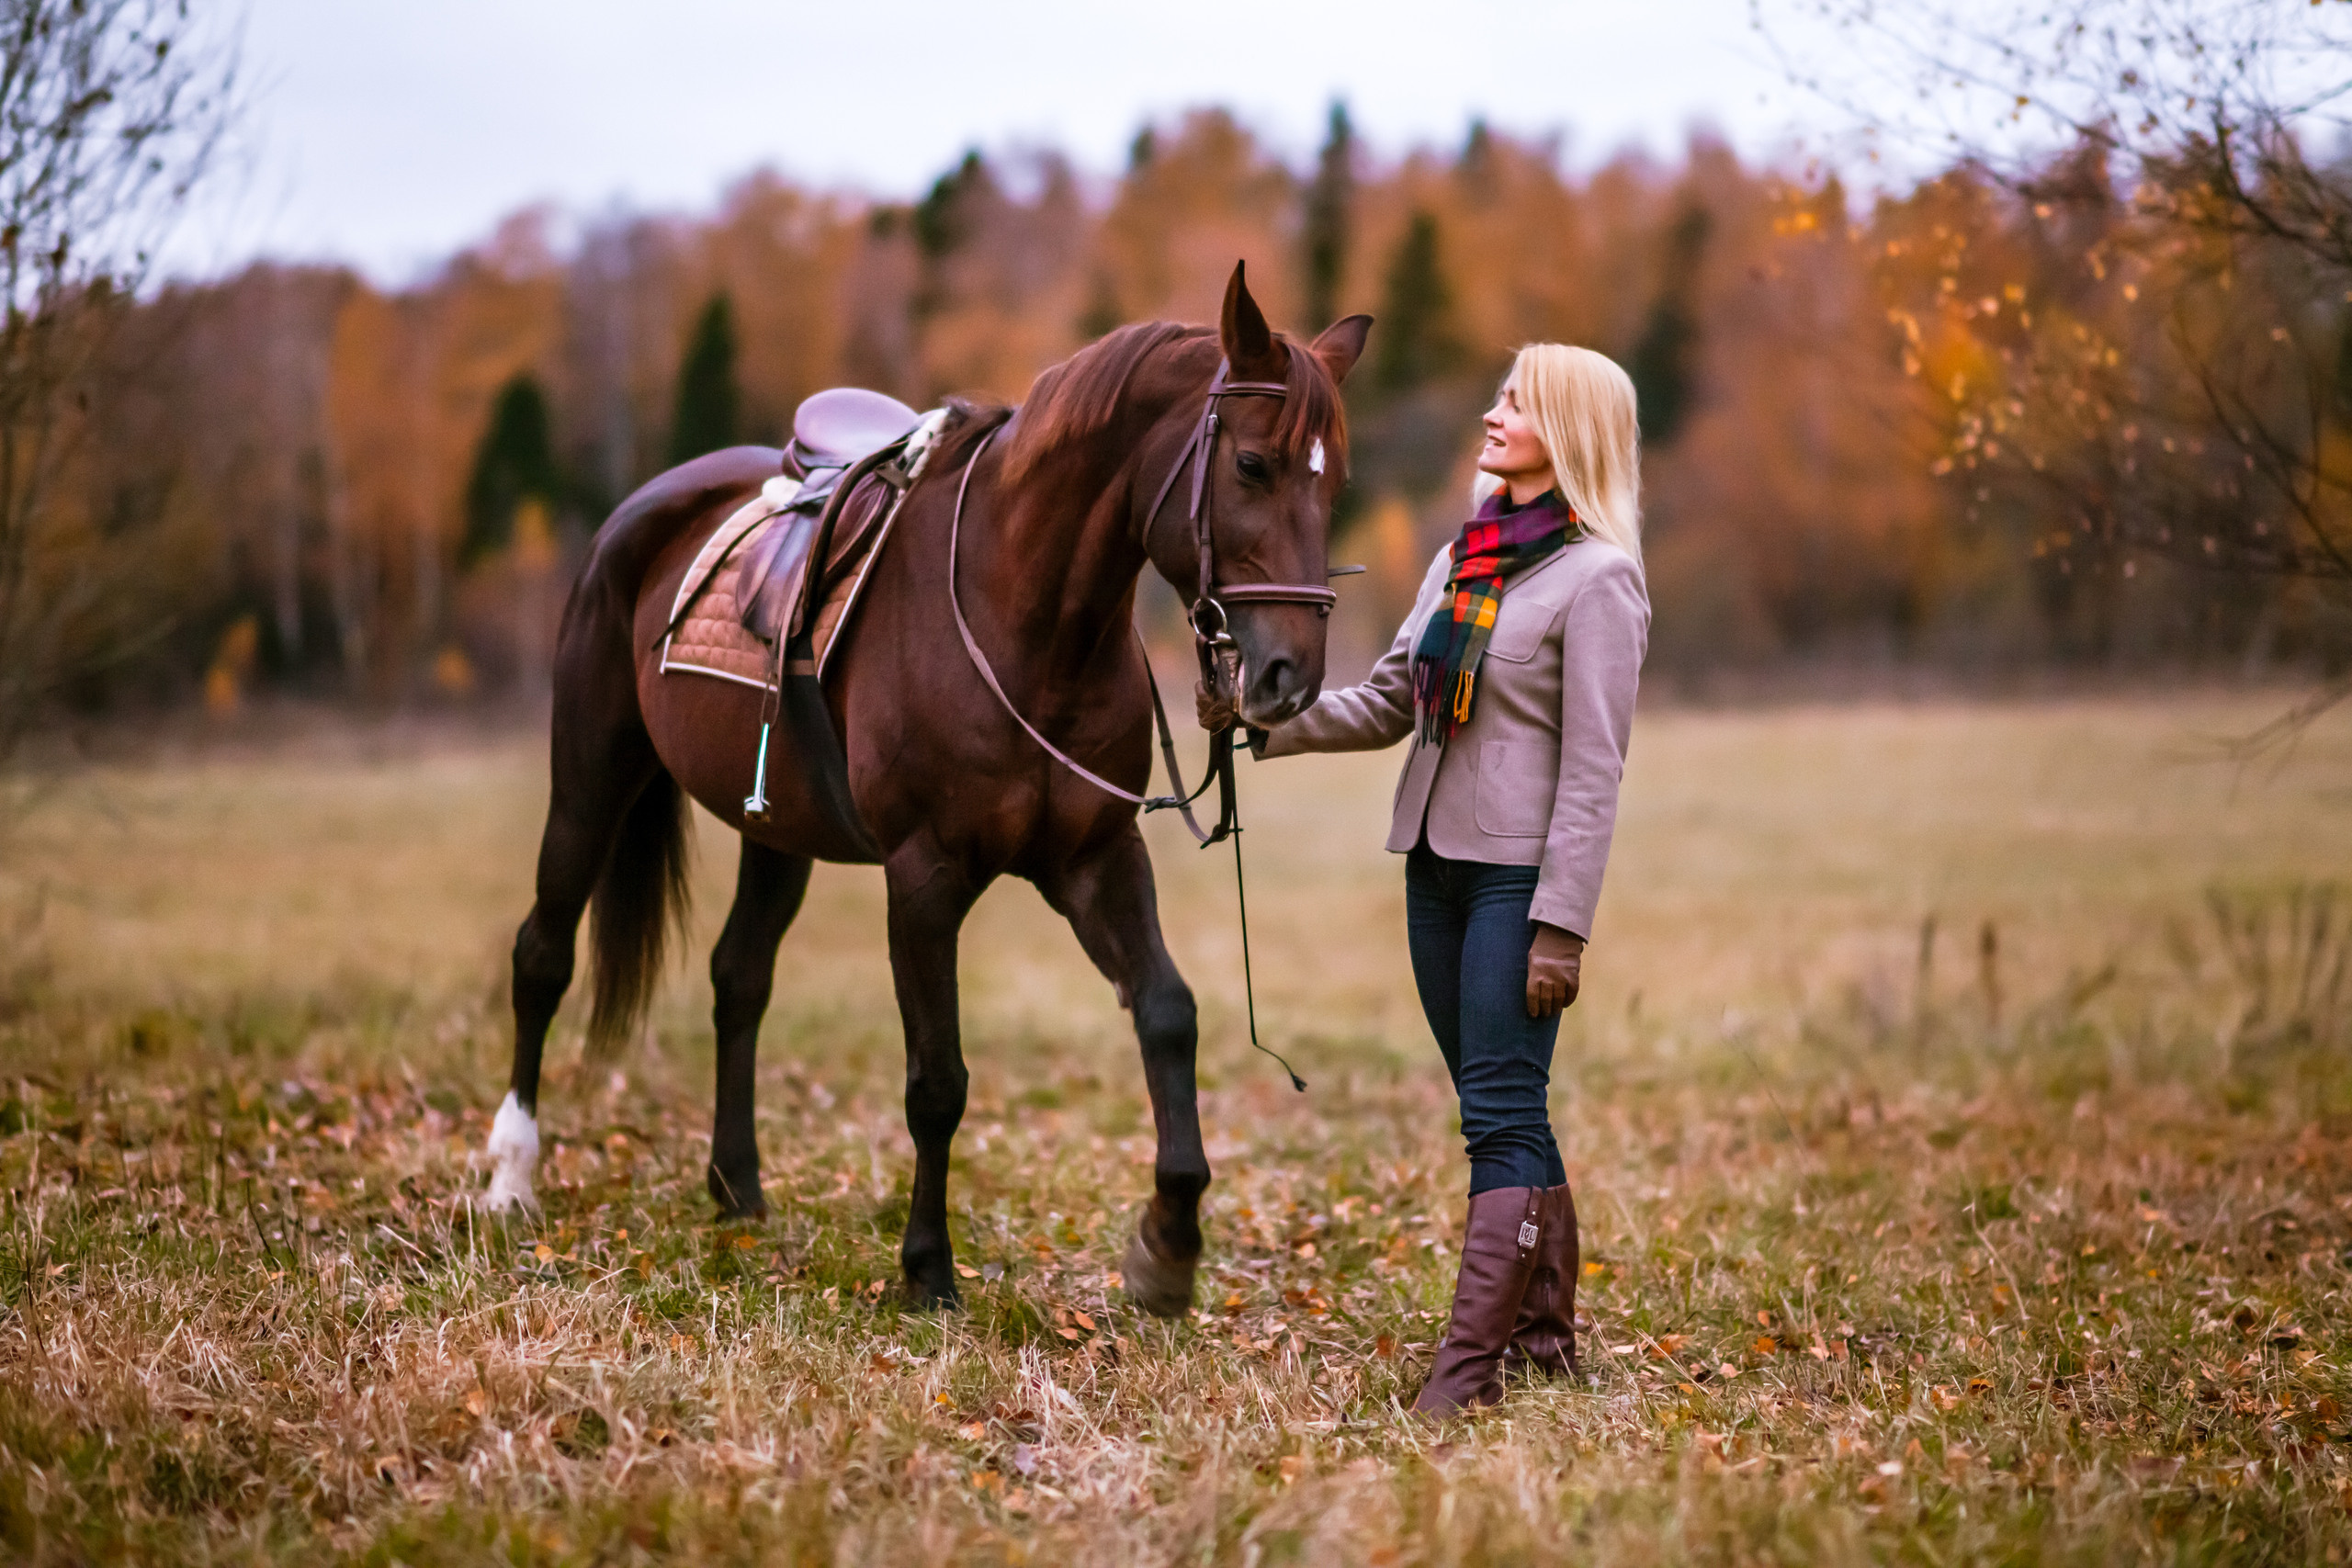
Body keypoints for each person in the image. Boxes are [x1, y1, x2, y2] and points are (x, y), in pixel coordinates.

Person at [1206, 344, 1650, 1416]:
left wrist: (1562, 927)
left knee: (1498, 1114)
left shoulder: (1600, 582)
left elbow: (1595, 770)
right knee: (1503, 1104)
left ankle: (1465, 1377)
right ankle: (1543, 1340)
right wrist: (1263, 722)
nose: (1493, 413)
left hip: (1517, 884)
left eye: (1515, 401)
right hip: (1436, 871)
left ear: (1568, 428)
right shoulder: (1468, 556)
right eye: (1497, 396)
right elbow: (1392, 697)